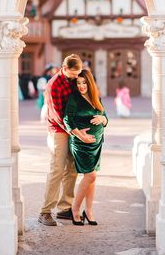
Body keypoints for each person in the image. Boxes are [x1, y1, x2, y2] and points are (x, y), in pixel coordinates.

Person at [38, 54, 96, 226]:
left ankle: (65, 207)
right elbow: (58, 116)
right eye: (71, 75)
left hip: (74, 129)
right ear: (63, 68)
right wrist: (78, 134)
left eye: (76, 75)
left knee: (72, 167)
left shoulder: (75, 79)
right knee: (57, 168)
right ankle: (45, 211)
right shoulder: (53, 85)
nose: (74, 79)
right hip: (58, 129)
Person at [63, 69, 108, 226]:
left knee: (92, 178)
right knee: (91, 176)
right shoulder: (74, 98)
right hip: (81, 143)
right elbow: (67, 119)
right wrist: (81, 136)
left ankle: (88, 211)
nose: (81, 86)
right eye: (78, 83)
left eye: (84, 83)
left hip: (97, 143)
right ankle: (75, 209)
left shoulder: (96, 97)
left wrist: (103, 119)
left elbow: (105, 117)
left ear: (90, 83)